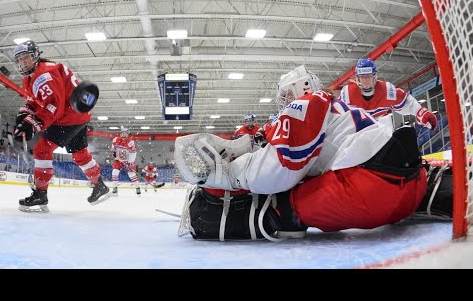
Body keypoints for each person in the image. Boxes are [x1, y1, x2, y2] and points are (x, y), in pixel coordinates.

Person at [175, 65, 438, 241]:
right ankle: (437, 193)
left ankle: (275, 219)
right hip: (411, 187)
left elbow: (282, 168)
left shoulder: (309, 102)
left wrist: (232, 176)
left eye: (288, 94)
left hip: (371, 194)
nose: (286, 101)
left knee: (286, 202)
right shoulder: (338, 107)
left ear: (303, 88)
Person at [12, 40, 110, 213]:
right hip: (79, 115)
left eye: (26, 57)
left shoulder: (44, 74)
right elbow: (34, 101)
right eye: (20, 59)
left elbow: (53, 107)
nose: (24, 61)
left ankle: (40, 194)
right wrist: (24, 114)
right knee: (80, 153)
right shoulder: (33, 76)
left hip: (68, 116)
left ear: (35, 56)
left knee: (42, 149)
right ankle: (99, 185)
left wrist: (33, 124)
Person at [339, 58, 438, 131]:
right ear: (357, 78)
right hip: (356, 129)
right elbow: (337, 115)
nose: (365, 81)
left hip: (380, 127)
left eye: (368, 76)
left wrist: (420, 112)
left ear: (374, 77)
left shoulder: (386, 90)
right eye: (362, 77)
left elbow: (407, 103)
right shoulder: (348, 93)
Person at [110, 126, 141, 196]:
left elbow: (133, 154)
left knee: (131, 174)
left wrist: (130, 162)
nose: (123, 135)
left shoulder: (130, 143)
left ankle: (137, 188)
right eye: (122, 133)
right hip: (119, 160)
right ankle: (115, 188)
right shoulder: (115, 140)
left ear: (128, 134)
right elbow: (113, 149)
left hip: (128, 160)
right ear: (120, 134)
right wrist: (114, 155)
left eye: (125, 133)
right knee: (114, 172)